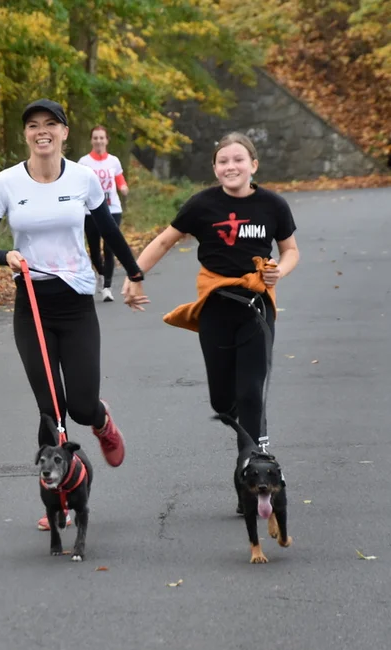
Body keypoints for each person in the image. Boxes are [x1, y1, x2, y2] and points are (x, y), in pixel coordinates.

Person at [0, 99, 148, 531]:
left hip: (76, 302)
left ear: (65, 133)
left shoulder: (85, 178)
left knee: (81, 406)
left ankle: (102, 422)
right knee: (50, 410)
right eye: (33, 125)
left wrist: (135, 273)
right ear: (26, 134)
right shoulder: (7, 182)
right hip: (31, 304)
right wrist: (4, 255)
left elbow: (108, 230)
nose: (42, 131)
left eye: (51, 124)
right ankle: (57, 501)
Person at [122, 132, 299, 511]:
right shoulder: (202, 205)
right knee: (223, 401)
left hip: (256, 307)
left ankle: (251, 470)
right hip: (216, 309)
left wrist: (278, 273)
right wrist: (135, 276)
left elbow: (290, 250)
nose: (230, 167)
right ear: (215, 168)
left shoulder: (273, 205)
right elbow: (164, 241)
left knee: (251, 392)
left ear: (253, 165)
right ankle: (245, 441)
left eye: (238, 160)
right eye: (223, 161)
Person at [79, 126, 130, 302]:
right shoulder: (84, 162)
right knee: (94, 249)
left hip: (112, 209)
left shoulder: (114, 161)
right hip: (90, 212)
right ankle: (100, 274)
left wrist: (123, 188)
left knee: (110, 247)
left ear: (107, 140)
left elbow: (120, 180)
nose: (99, 141)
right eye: (95, 138)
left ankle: (107, 286)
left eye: (102, 138)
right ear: (91, 140)